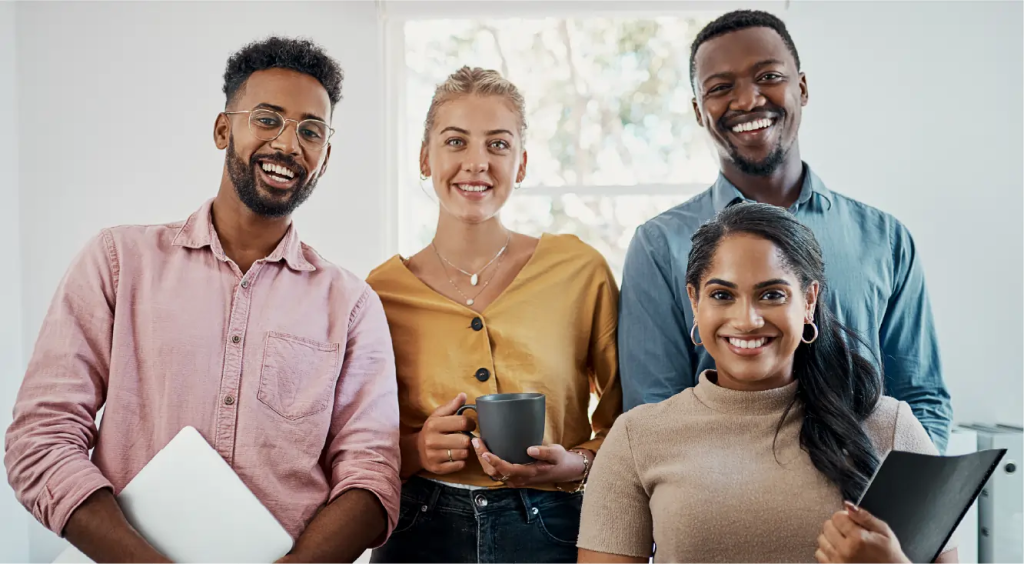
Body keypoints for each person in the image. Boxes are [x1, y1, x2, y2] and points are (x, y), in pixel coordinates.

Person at [4, 37, 401, 563]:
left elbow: (371, 473)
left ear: (325, 158)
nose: (288, 144)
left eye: (311, 131)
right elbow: (42, 438)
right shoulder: (118, 262)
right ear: (222, 129)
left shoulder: (351, 304)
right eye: (267, 118)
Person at [617, 9, 952, 452]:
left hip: (863, 508)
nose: (748, 100)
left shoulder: (884, 240)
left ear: (803, 88)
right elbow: (652, 416)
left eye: (768, 76)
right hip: (718, 509)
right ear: (699, 112)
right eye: (720, 88)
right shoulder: (660, 245)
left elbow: (920, 397)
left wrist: (902, 510)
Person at [577, 202, 958, 563]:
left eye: (772, 294)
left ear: (809, 301)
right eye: (722, 295)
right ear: (695, 302)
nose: (747, 320)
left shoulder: (891, 428)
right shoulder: (636, 438)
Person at [366, 66, 622, 563]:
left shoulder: (579, 269)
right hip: (419, 531)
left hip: (552, 529)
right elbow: (354, 444)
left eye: (498, 145)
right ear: (425, 158)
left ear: (521, 164)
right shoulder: (380, 290)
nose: (476, 163)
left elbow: (630, 422)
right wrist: (417, 450)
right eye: (456, 142)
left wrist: (574, 464)